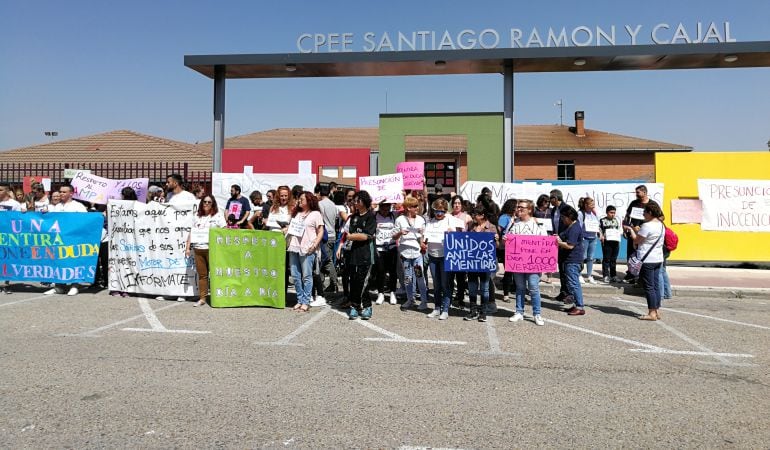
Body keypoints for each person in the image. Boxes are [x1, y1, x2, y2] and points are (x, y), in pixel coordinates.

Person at [508, 199, 546, 326]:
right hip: (518, 262)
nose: (518, 209)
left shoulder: (538, 224)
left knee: (533, 287)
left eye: (522, 207)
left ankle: (537, 314)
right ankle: (519, 311)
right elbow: (508, 240)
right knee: (519, 287)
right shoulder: (514, 224)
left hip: (533, 262)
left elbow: (545, 242)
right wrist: (506, 239)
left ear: (529, 209)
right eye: (518, 207)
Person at [624, 203, 666, 321]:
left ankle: (652, 312)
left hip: (647, 259)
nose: (643, 214)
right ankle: (656, 310)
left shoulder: (647, 226)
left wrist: (632, 230)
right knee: (655, 285)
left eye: (645, 212)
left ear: (650, 213)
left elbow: (637, 240)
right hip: (658, 258)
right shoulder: (661, 225)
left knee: (649, 287)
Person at [44, 184, 88, 296]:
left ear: (71, 193)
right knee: (58, 262)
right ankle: (59, 286)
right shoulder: (56, 207)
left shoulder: (78, 206)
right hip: (59, 240)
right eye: (60, 192)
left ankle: (75, 285)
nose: (61, 194)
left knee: (74, 262)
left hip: (73, 239)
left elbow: (86, 221)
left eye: (64, 192)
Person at [286, 191, 325, 312]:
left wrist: (315, 244)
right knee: (295, 276)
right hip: (294, 247)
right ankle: (300, 299)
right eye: (299, 199)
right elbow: (292, 228)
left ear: (309, 200)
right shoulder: (296, 214)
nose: (299, 201)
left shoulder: (316, 214)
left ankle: (306, 301)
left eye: (302, 199)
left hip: (308, 248)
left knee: (307, 276)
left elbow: (321, 231)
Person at [185, 194, 227, 307]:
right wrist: (187, 247)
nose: (206, 204)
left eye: (209, 202)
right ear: (201, 203)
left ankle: (217, 298)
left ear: (213, 204)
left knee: (215, 274)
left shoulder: (217, 216)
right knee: (202, 275)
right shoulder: (196, 216)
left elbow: (224, 231)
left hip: (212, 249)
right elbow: (191, 232)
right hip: (198, 249)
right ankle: (202, 298)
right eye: (205, 202)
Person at [344, 190, 377, 320]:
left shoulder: (370, 217)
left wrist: (352, 236)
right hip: (354, 254)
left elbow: (366, 236)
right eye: (355, 200)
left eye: (358, 200)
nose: (356, 203)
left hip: (367, 255)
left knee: (364, 282)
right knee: (354, 280)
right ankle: (354, 306)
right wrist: (352, 237)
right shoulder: (353, 217)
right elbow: (349, 234)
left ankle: (366, 306)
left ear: (365, 201)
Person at [394, 195, 429, 312]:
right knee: (408, 278)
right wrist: (400, 233)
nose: (417, 208)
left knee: (419, 276)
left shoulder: (420, 220)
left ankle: (424, 301)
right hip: (405, 254)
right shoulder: (400, 220)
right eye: (414, 206)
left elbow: (423, 238)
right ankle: (410, 299)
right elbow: (393, 236)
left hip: (417, 255)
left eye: (417, 206)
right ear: (408, 208)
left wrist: (423, 243)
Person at [463, 205, 499, 322]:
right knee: (472, 287)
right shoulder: (471, 226)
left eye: (476, 215)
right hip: (472, 261)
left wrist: (496, 240)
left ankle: (483, 311)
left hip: (485, 262)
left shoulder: (491, 228)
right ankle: (473, 310)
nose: (473, 217)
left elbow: (497, 247)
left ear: (482, 216)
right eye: (473, 215)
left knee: (484, 288)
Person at [425, 198, 454, 320]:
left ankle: (445, 309)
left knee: (444, 284)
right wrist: (423, 241)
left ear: (445, 211)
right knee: (436, 284)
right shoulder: (430, 222)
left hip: (445, 257)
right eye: (437, 211)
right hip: (432, 256)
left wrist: (450, 232)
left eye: (441, 211)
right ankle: (437, 308)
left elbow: (455, 236)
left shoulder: (449, 221)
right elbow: (425, 238)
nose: (439, 214)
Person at [622, 185, 660, 282]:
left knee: (642, 254)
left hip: (645, 233)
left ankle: (641, 276)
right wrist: (625, 228)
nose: (636, 194)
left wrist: (647, 223)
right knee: (631, 254)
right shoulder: (634, 203)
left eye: (638, 192)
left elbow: (661, 217)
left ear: (644, 192)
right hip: (633, 232)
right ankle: (631, 273)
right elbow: (627, 216)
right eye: (636, 192)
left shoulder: (652, 204)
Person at [556, 205, 586, 316]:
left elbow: (570, 245)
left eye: (563, 217)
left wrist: (557, 243)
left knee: (574, 284)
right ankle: (575, 305)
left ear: (569, 217)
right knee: (570, 283)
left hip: (573, 260)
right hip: (569, 260)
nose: (562, 219)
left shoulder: (574, 228)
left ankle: (579, 306)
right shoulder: (571, 226)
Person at [109, 187, 138, 297]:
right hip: (127, 238)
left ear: (123, 195)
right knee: (128, 263)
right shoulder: (136, 205)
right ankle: (126, 288)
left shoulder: (122, 206)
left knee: (118, 262)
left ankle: (118, 287)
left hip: (121, 238)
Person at [315, 184, 339, 294]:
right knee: (326, 260)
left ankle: (333, 284)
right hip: (332, 234)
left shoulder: (320, 204)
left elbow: (319, 219)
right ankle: (328, 284)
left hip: (325, 235)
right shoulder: (333, 204)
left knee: (326, 261)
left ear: (319, 193)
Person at [372, 201, 398, 305]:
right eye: (383, 208)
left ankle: (392, 292)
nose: (385, 211)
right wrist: (377, 202)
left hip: (391, 247)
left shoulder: (394, 215)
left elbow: (405, 209)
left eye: (388, 208)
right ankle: (381, 293)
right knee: (380, 271)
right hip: (379, 248)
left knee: (392, 271)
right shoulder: (374, 215)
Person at [550, 189, 572, 301]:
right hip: (557, 242)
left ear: (556, 198)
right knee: (561, 268)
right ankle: (563, 292)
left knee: (566, 268)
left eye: (551, 198)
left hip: (565, 241)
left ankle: (569, 293)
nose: (550, 201)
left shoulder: (566, 208)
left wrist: (561, 236)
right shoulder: (554, 210)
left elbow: (571, 225)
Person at [0, 183, 22, 294]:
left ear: (7, 191)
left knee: (6, 258)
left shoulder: (14, 204)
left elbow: (19, 220)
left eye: (0, 190)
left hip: (8, 236)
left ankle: (6, 283)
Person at [497, 198, 518, 302]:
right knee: (509, 271)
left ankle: (517, 291)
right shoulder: (504, 218)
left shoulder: (518, 218)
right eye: (516, 206)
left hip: (517, 248)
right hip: (506, 247)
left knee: (517, 271)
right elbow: (499, 231)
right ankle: (506, 294)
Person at [578, 197, 601, 284]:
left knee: (590, 258)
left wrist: (600, 233)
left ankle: (589, 275)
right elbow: (579, 226)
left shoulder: (594, 213)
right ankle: (579, 274)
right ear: (586, 205)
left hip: (593, 238)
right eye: (591, 204)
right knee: (582, 257)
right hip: (584, 238)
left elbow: (597, 225)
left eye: (594, 204)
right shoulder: (580, 213)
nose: (593, 206)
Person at [600, 205, 622, 282]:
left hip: (615, 242)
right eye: (611, 212)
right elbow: (599, 230)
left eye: (614, 213)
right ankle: (606, 275)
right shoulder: (602, 220)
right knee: (606, 259)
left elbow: (618, 230)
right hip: (607, 242)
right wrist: (601, 236)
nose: (612, 214)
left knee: (613, 259)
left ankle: (613, 275)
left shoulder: (616, 220)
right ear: (607, 212)